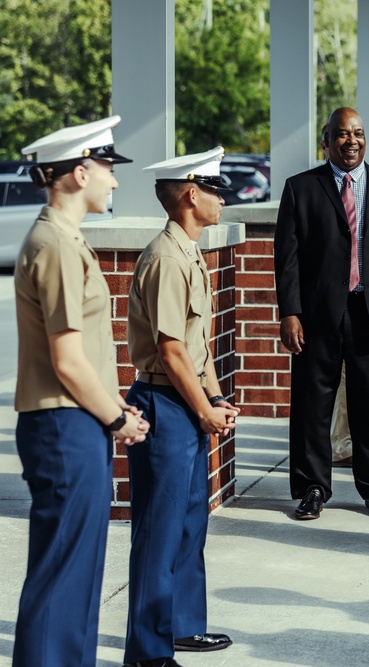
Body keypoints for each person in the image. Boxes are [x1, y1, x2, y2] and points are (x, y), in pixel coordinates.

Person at [13, 116, 148, 667]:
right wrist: (119, 419)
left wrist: (115, 411)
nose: (113, 182)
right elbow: (68, 360)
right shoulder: (58, 245)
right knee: (63, 574)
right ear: (77, 172)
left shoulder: (65, 239)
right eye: (106, 169)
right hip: (63, 421)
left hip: (76, 420)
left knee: (79, 570)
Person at [274, 107, 369, 520]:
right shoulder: (301, 188)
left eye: (357, 133)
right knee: (311, 405)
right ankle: (312, 488)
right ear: (326, 142)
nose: (351, 141)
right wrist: (290, 313)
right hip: (317, 314)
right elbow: (287, 258)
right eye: (342, 134)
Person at [123, 147, 240, 666]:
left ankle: (184, 626)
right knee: (159, 530)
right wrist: (203, 410)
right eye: (216, 191)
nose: (222, 200)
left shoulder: (190, 250)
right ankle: (148, 651)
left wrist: (214, 397)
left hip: (186, 400)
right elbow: (170, 352)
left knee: (192, 520)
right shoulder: (168, 258)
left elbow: (198, 347)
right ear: (192, 195)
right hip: (164, 403)